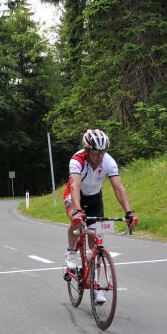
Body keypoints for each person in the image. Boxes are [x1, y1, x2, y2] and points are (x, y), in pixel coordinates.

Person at [64, 129, 139, 303]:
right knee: (76, 224)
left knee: (96, 244)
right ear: (87, 150)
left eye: (103, 152)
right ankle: (70, 252)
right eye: (96, 152)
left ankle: (96, 286)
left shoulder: (108, 162)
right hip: (75, 196)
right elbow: (75, 186)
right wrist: (76, 211)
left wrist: (129, 213)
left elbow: (118, 188)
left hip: (95, 198)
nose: (100, 156)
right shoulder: (77, 160)